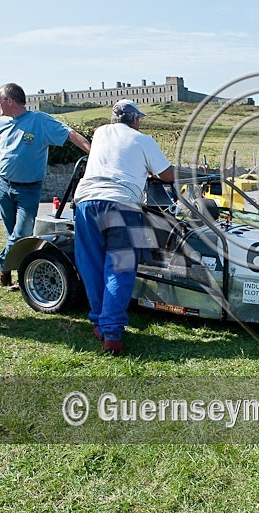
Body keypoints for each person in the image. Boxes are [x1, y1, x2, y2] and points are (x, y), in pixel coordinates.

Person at [73, 99, 174, 355]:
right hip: (121, 204)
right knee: (119, 268)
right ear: (135, 119)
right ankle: (113, 333)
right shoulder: (143, 140)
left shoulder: (99, 133)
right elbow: (167, 174)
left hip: (86, 202)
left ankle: (99, 322)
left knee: (92, 265)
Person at [0, 83, 91, 289]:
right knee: (11, 232)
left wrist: (93, 153)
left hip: (28, 189)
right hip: (3, 186)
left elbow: (70, 134)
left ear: (9, 101)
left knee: (21, 233)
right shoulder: (1, 122)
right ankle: (16, 272)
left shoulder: (39, 121)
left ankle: (4, 266)